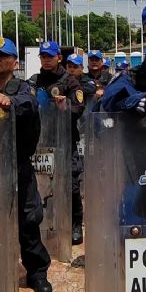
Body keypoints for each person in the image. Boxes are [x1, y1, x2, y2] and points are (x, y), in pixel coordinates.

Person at [0, 37, 52, 292]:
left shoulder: (24, 88)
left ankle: (37, 272)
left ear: (14, 62)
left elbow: (29, 104)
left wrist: (10, 102)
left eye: (2, 55)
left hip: (18, 164)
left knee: (29, 219)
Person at [28, 41, 86, 245]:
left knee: (70, 184)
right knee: (40, 183)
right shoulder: (34, 81)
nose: (46, 59)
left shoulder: (69, 81)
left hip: (65, 140)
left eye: (50, 56)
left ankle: (75, 224)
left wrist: (65, 107)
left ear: (59, 58)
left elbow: (79, 107)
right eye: (43, 56)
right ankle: (45, 223)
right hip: (41, 140)